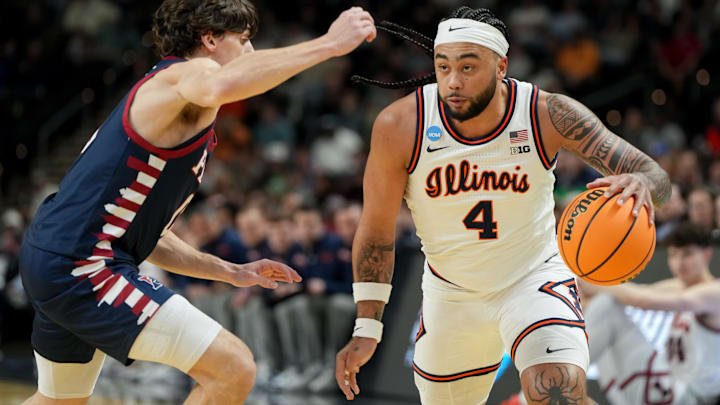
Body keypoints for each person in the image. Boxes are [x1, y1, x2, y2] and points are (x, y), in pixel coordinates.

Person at [18, 0, 377, 403]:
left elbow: (147, 236)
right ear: (209, 39)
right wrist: (330, 43)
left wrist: (230, 271)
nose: (250, 52)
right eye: (242, 40)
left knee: (58, 401)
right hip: (82, 266)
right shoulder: (185, 76)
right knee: (233, 369)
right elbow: (220, 83)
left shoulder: (175, 107)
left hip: (58, 256)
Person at [334, 7, 670, 405]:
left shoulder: (547, 113)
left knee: (557, 390)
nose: (453, 81)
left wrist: (643, 182)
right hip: (451, 292)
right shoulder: (400, 125)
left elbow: (655, 176)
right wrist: (367, 328)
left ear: (501, 66)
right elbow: (375, 231)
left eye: (468, 67)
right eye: (443, 67)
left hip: (534, 279)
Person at [581, 222, 720, 404]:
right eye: (673, 255)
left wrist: (596, 282)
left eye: (687, 254)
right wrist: (592, 289)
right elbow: (636, 294)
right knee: (605, 309)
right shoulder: (680, 287)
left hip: (691, 396)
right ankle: (569, 384)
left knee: (608, 304)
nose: (679, 262)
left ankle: (563, 375)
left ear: (707, 254)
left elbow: (644, 300)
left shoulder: (714, 292)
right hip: (667, 388)